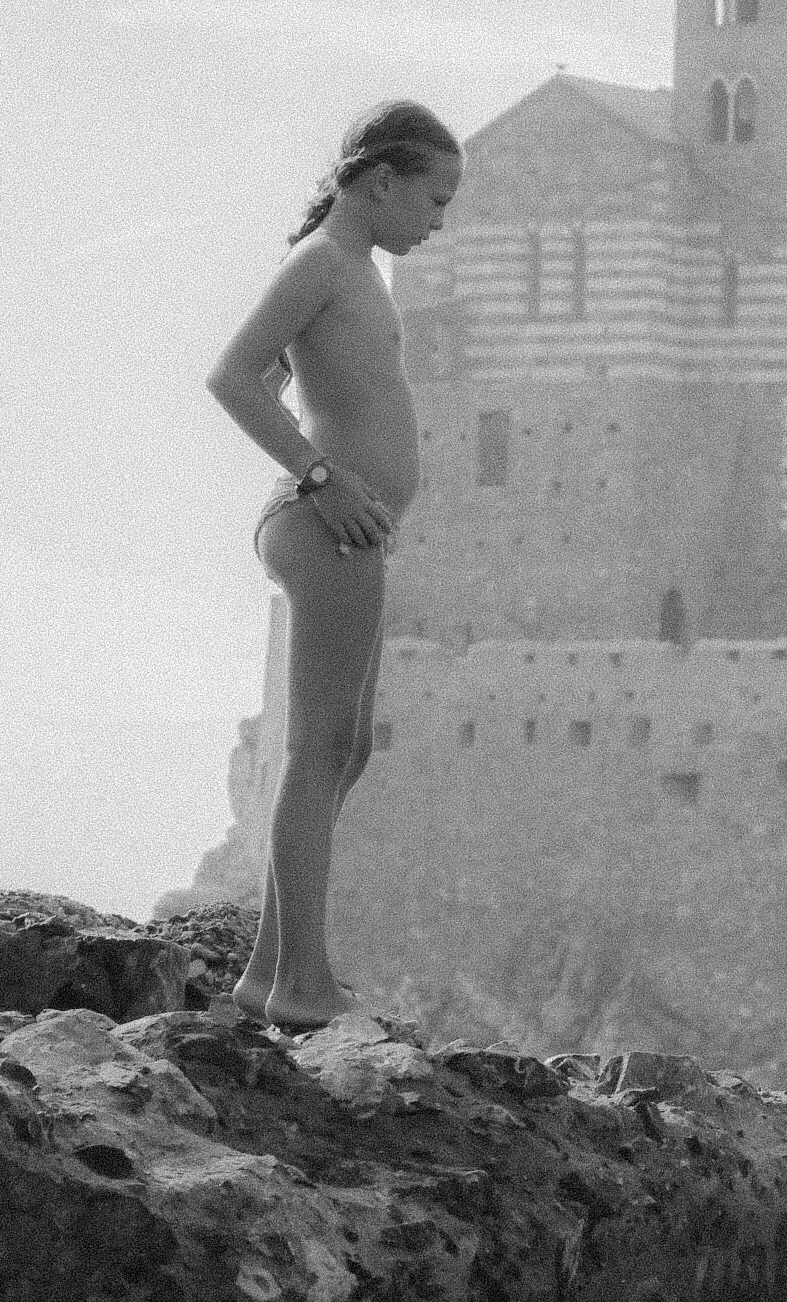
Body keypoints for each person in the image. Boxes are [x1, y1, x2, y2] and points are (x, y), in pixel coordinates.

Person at [206, 101, 462, 1029]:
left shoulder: (353, 270)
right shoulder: (321, 263)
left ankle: (270, 971)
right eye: (433, 198)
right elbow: (232, 374)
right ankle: (303, 986)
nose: (439, 220)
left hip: (350, 528)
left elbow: (284, 375)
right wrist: (319, 477)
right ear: (380, 180)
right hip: (328, 527)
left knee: (343, 749)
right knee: (317, 750)